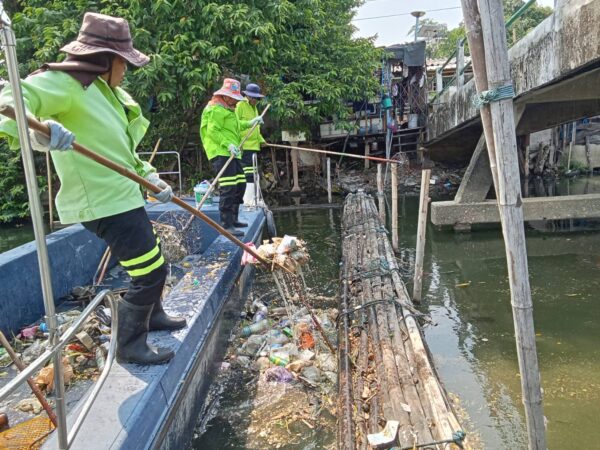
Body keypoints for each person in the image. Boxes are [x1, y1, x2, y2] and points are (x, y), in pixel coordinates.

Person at [0, 12, 186, 365]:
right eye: (123, 61)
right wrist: (44, 133)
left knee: (153, 260)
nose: (126, 69)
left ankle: (153, 315)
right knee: (150, 272)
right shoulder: (65, 83)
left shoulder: (104, 92)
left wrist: (152, 178)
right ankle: (130, 345)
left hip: (124, 195)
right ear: (105, 59)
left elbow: (122, 153)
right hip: (103, 202)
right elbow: (10, 99)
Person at [200, 78, 263, 236]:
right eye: (233, 98)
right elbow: (212, 131)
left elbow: (237, 126)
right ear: (226, 96)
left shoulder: (229, 110)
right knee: (228, 187)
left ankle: (234, 219)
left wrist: (251, 122)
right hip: (221, 152)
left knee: (240, 184)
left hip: (233, 152)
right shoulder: (215, 109)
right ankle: (226, 224)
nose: (236, 101)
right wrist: (227, 144)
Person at [235, 83, 266, 207]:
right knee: (248, 173)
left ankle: (253, 198)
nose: (255, 100)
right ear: (247, 96)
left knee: (254, 173)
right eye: (253, 98)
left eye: (257, 98)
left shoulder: (255, 108)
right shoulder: (240, 105)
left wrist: (261, 140)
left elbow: (256, 128)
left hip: (254, 146)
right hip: (245, 145)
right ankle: (248, 200)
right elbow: (236, 124)